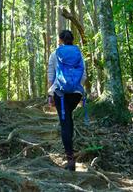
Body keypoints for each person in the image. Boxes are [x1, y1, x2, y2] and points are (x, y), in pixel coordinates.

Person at [47, 29, 86, 171]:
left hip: (60, 93)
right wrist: (77, 88)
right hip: (76, 93)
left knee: (65, 123)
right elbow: (84, 75)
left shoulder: (54, 54)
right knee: (69, 118)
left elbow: (51, 76)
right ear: (72, 39)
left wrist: (50, 95)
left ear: (60, 40)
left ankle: (70, 160)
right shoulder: (78, 53)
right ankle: (71, 158)